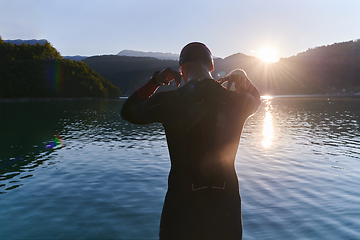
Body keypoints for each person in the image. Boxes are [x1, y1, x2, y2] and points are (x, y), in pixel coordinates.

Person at [121, 42, 261, 240]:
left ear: (182, 69)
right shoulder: (237, 101)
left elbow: (127, 111)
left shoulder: (169, 102)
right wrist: (243, 78)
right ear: (211, 66)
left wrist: (156, 81)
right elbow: (256, 99)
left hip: (182, 204)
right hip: (226, 204)